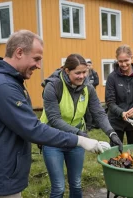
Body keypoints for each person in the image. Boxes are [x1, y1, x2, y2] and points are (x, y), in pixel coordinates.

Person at [0, 30, 110, 197]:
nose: (39, 65)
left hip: (3, 175)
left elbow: (98, 111)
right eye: (36, 58)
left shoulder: (7, 81)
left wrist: (108, 132)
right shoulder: (2, 85)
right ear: (19, 52)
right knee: (58, 187)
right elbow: (33, 128)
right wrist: (79, 139)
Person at [40, 54, 123, 197]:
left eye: (85, 72)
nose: (82, 76)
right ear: (66, 71)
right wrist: (80, 134)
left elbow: (99, 113)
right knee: (59, 187)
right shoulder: (52, 86)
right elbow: (54, 119)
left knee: (76, 183)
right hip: (52, 138)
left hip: (77, 140)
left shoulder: (88, 87)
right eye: (77, 73)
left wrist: (111, 133)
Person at [85, 60, 100, 130]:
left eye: (89, 65)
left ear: (92, 66)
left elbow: (97, 82)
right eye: (87, 65)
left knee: (92, 109)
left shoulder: (94, 73)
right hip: (85, 94)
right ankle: (88, 125)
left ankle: (93, 125)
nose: (88, 67)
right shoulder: (84, 73)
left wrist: (90, 86)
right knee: (86, 110)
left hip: (92, 93)